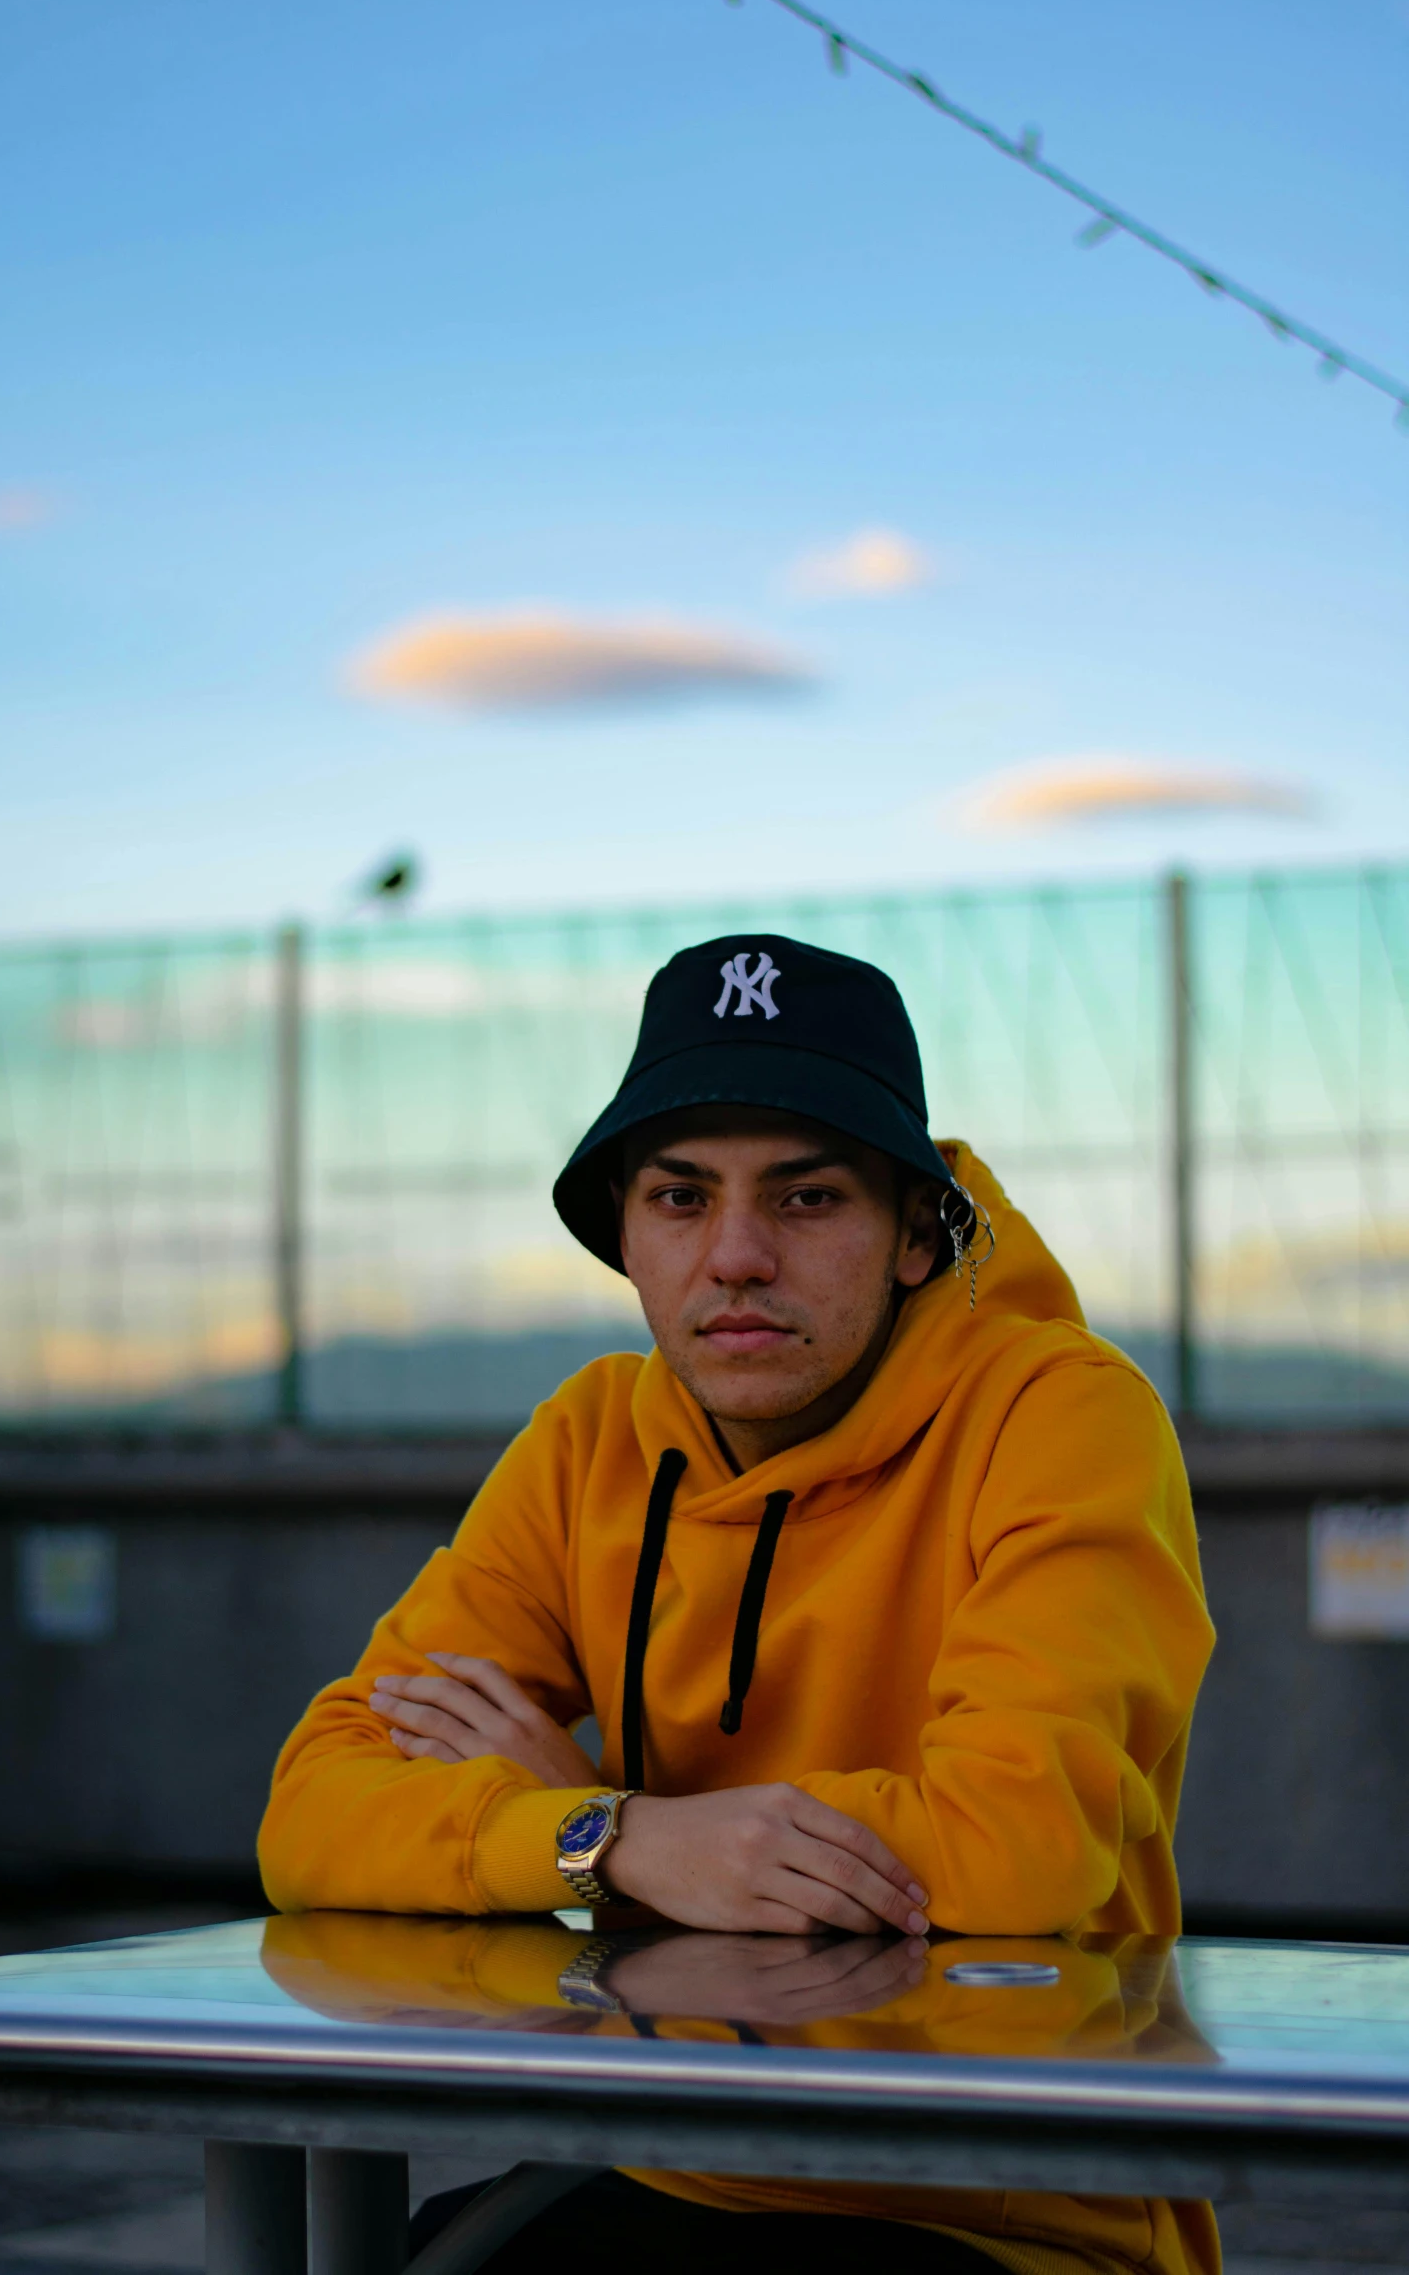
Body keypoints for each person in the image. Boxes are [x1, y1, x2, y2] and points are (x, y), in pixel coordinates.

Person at [259, 934, 1216, 2275]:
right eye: (678, 1195)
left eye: (806, 1196)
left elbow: (1011, 1855)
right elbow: (313, 1805)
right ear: (626, 1232)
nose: (735, 1256)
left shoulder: (1062, 1416)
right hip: (674, 2162)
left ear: (910, 1232)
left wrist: (609, 1858)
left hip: (1002, 2203)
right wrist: (610, 1833)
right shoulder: (588, 1440)